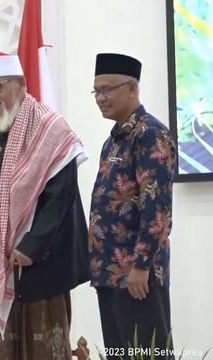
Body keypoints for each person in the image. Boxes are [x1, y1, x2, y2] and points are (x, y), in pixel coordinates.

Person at [0, 51, 90, 360]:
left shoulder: (50, 129)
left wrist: (31, 246)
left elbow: (61, 197)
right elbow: (3, 191)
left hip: (38, 264)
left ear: (20, 85)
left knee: (40, 346)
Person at [90, 53, 176, 359]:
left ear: (132, 88)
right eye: (96, 91)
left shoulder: (149, 134)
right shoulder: (114, 139)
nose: (100, 98)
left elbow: (157, 208)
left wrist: (140, 267)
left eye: (108, 89)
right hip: (109, 274)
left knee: (147, 355)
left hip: (137, 277)